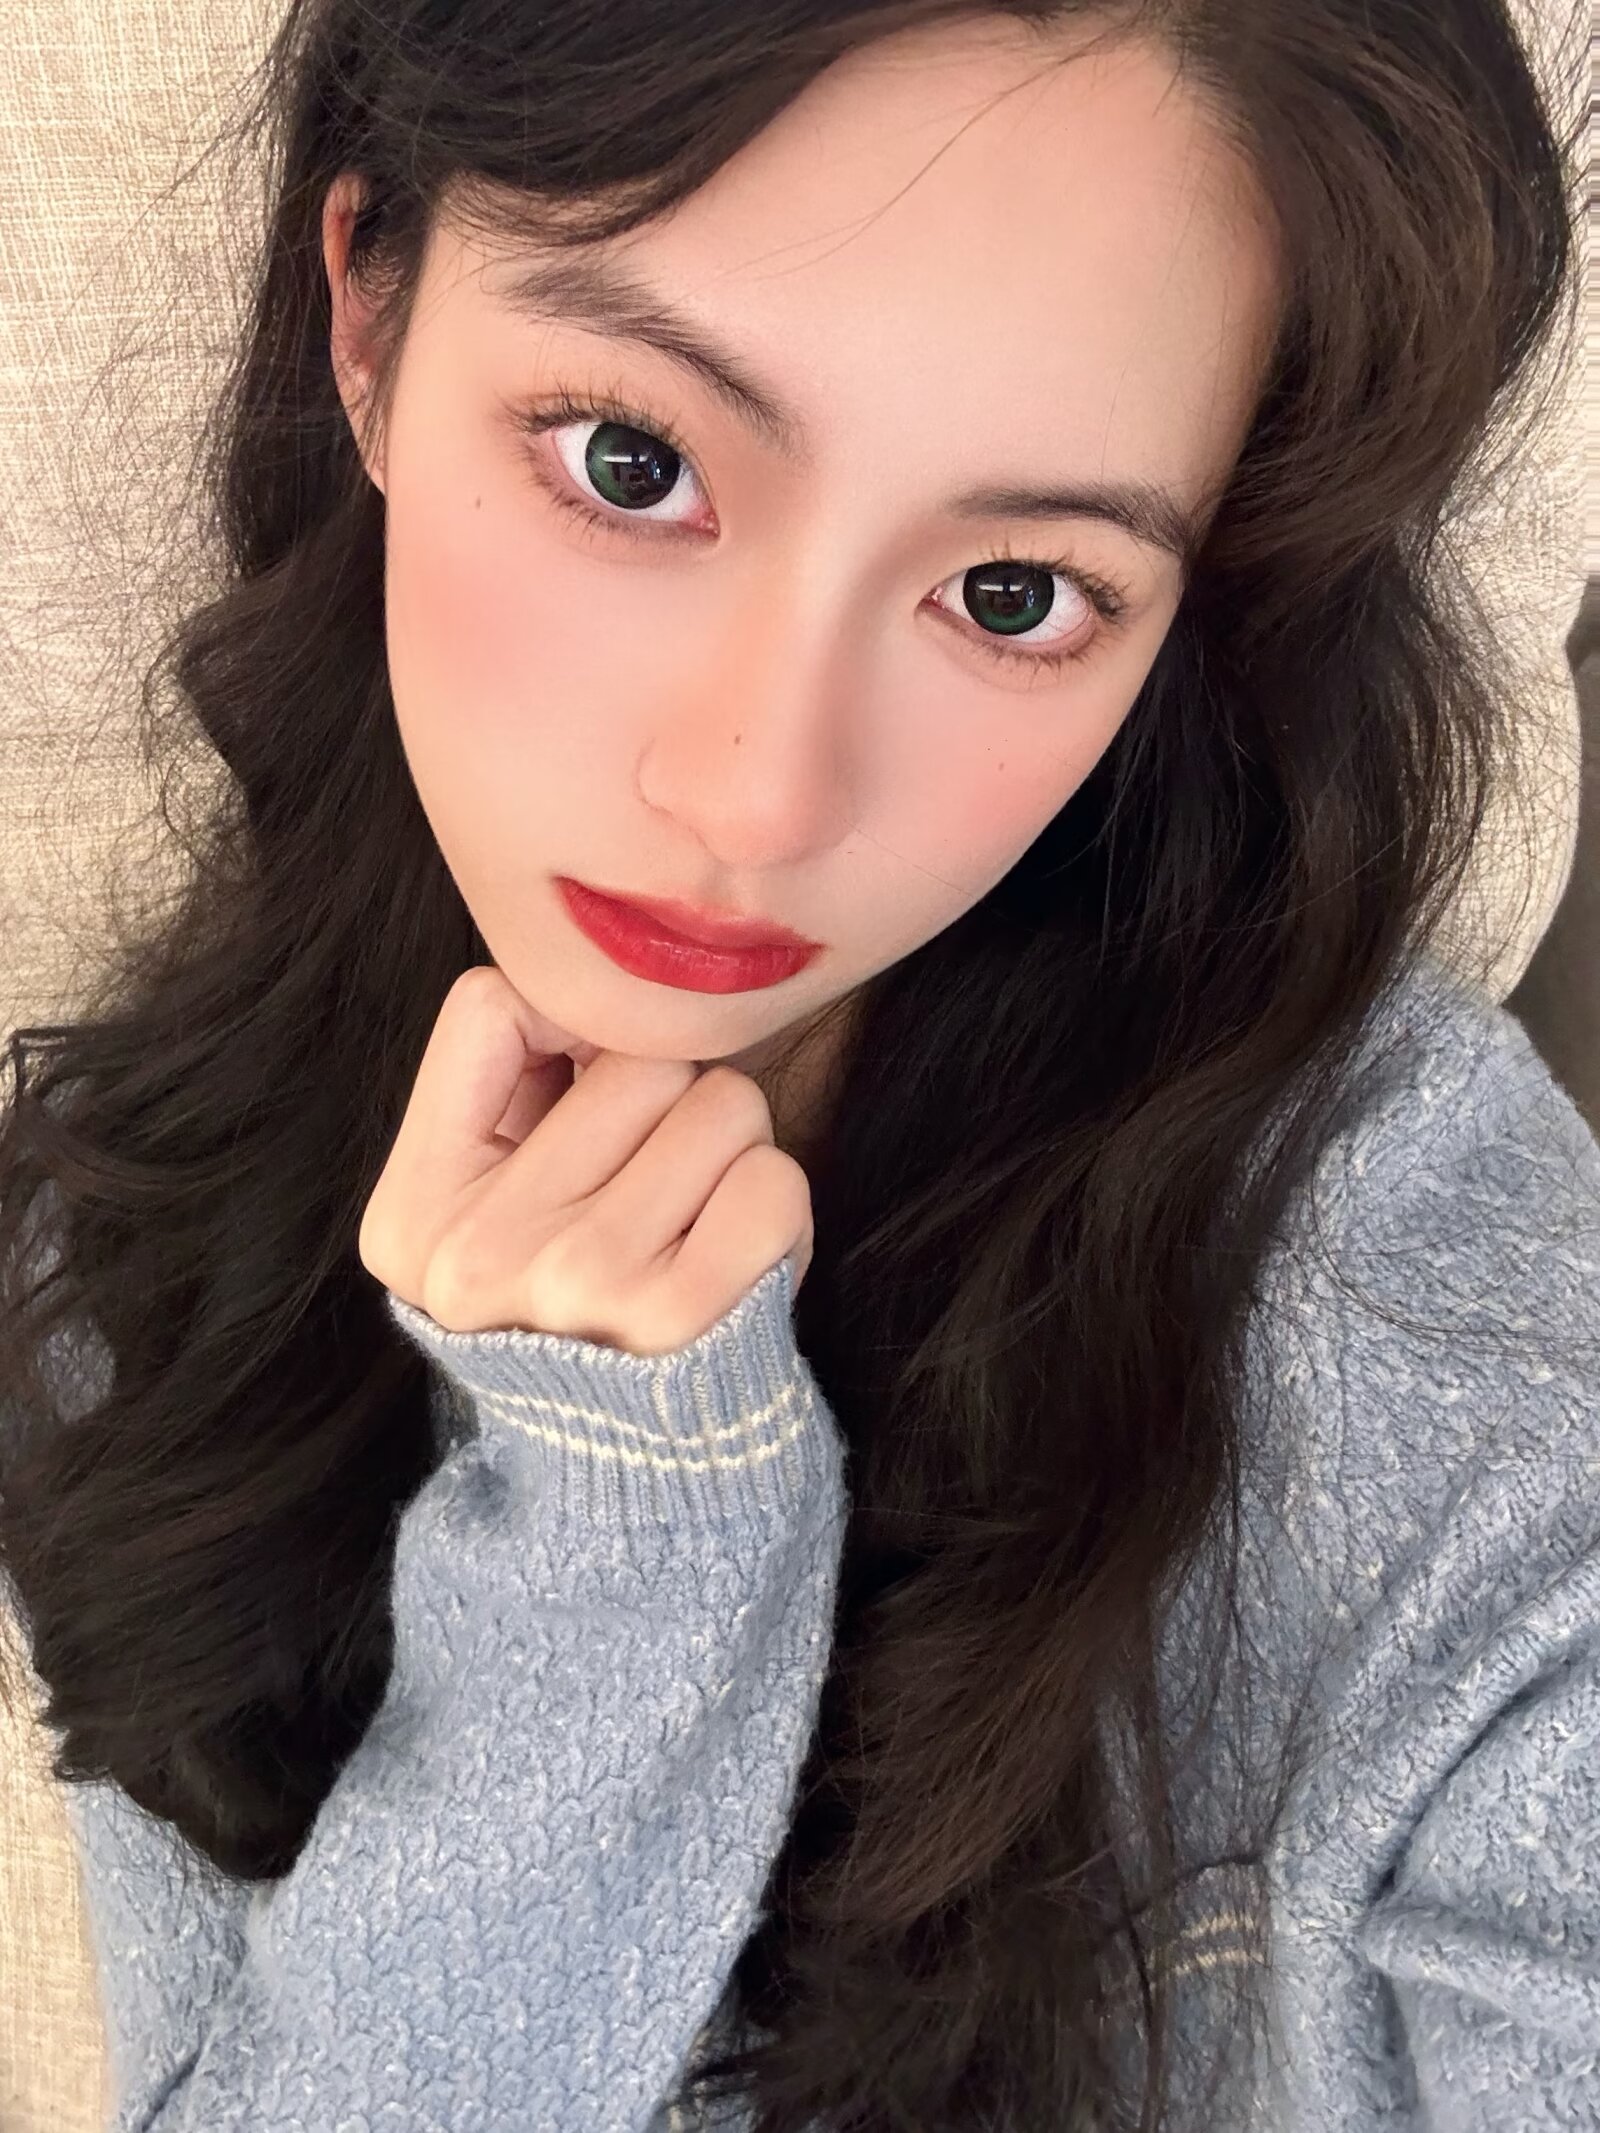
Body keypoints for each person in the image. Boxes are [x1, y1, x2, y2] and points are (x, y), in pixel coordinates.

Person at [0, 0, 1595, 2126]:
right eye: (631, 463)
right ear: (367, 318)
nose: (758, 791)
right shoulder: (145, 1248)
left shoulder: (1447, 1382)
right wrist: (609, 1557)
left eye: (1012, 590)